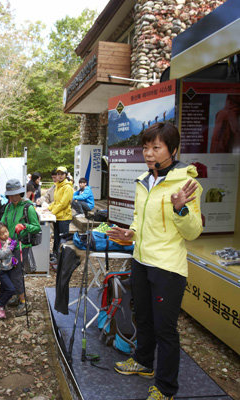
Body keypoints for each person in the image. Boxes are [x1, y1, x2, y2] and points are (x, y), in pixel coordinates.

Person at [107, 122, 203, 400]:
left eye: (156, 147)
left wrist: (180, 208)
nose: (149, 153)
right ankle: (144, 362)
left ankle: (166, 388)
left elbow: (193, 232)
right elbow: (140, 221)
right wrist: (130, 233)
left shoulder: (186, 183)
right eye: (146, 147)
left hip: (168, 267)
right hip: (141, 260)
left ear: (172, 150)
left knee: (165, 329)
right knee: (143, 318)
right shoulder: (144, 180)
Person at [1, 179, 41, 317]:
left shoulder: (28, 207)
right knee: (10, 271)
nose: (12, 197)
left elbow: (36, 227)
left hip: (22, 245)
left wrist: (25, 226)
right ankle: (17, 295)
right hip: (10, 244)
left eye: (15, 194)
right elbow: (3, 223)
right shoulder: (8, 207)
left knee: (17, 273)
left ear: (20, 193)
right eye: (10, 195)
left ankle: (24, 301)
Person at [0, 221, 18, 319]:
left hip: (8, 267)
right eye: (2, 233)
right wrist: (11, 248)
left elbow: (9, 254)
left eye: (6, 231)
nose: (5, 234)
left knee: (4, 287)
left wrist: (13, 259)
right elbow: (1, 255)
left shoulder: (8, 240)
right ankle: (0, 305)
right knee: (11, 289)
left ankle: (2, 304)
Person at [47, 166, 73, 262]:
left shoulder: (67, 187)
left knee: (63, 240)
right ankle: (56, 257)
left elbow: (63, 204)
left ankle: (64, 260)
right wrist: (48, 209)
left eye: (62, 174)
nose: (60, 176)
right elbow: (55, 202)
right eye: (58, 174)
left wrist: (52, 213)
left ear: (66, 175)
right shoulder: (58, 185)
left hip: (64, 217)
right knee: (57, 238)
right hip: (57, 217)